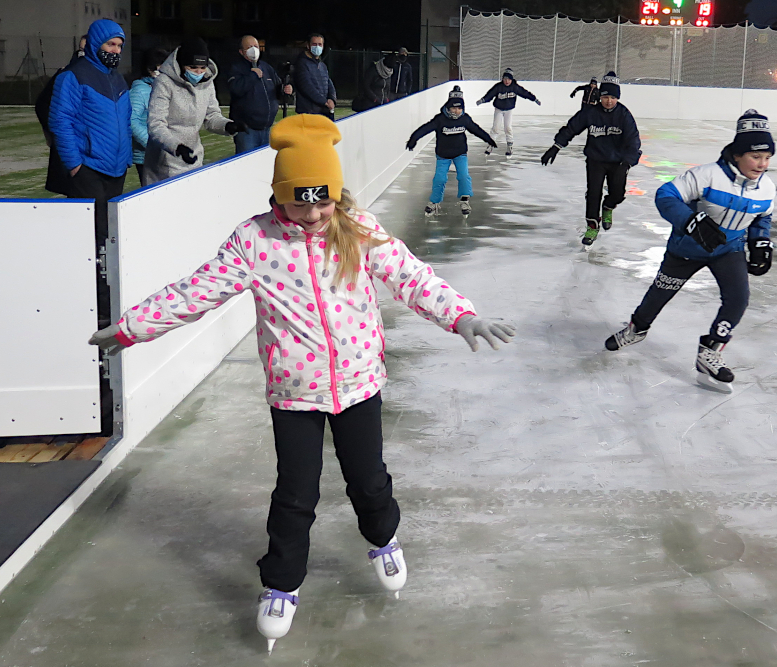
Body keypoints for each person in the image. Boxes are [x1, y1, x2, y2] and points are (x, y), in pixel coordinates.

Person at [87, 113, 516, 654]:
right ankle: (281, 584)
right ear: (277, 196)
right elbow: (196, 291)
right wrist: (131, 328)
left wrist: (461, 316)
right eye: (299, 201)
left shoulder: (357, 231)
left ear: (336, 194)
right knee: (295, 495)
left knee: (369, 480)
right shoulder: (254, 241)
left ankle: (383, 539)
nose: (312, 214)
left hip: (359, 383)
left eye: (323, 201)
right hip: (294, 392)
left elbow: (411, 277)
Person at [604, 109, 776, 394]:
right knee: (659, 294)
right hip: (686, 249)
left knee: (738, 299)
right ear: (737, 154)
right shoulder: (706, 176)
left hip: (728, 250)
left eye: (767, 158)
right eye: (755, 157)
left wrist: (760, 242)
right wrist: (691, 221)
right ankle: (637, 329)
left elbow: (763, 216)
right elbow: (665, 195)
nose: (762, 164)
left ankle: (710, 352)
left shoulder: (766, 187)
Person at [49, 19, 132, 329]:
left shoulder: (119, 80)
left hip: (116, 170)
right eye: (111, 44)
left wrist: (124, 161)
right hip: (87, 169)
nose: (115, 50)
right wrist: (74, 164)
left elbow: (125, 122)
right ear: (96, 43)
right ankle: (94, 304)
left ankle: (111, 297)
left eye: (119, 45)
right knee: (93, 239)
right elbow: (61, 122)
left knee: (111, 236)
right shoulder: (73, 76)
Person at [540, 72, 640, 247]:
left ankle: (608, 206)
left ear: (618, 98)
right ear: (600, 96)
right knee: (593, 193)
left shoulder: (624, 115)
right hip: (596, 159)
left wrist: (627, 162)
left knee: (618, 194)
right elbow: (571, 128)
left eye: (613, 97)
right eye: (605, 97)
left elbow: (633, 141)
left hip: (618, 161)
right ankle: (592, 225)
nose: (609, 101)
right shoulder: (590, 112)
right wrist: (556, 146)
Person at [144, 37, 244, 184]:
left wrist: (228, 126)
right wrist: (176, 147)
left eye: (202, 68)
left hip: (194, 158)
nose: (198, 72)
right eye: (192, 67)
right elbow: (156, 124)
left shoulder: (207, 83)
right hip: (165, 163)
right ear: (181, 65)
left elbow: (211, 116)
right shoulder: (164, 83)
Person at [406, 86, 495, 217]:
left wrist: (488, 139)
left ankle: (465, 200)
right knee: (439, 179)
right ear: (448, 107)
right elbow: (425, 128)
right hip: (443, 155)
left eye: (459, 108)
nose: (457, 111)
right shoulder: (440, 119)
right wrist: (414, 138)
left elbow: (476, 129)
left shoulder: (464, 119)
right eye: (454, 108)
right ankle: (434, 202)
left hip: (460, 153)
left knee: (464, 176)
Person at [35, 34, 86, 196]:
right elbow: (42, 104)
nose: (82, 54)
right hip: (72, 150)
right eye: (80, 50)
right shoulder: (65, 74)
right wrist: (50, 133)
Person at [228, 35, 294, 154]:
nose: (254, 49)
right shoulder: (236, 68)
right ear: (241, 52)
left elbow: (277, 87)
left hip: (267, 129)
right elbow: (236, 89)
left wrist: (285, 90)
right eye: (249, 47)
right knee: (247, 166)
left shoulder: (266, 67)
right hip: (247, 131)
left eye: (256, 46)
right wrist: (252, 76)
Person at [476, 67, 541, 157]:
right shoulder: (498, 87)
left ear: (512, 79)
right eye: (505, 79)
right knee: (496, 127)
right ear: (502, 79)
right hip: (498, 109)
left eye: (509, 79)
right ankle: (490, 145)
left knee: (508, 128)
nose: (507, 81)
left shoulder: (515, 87)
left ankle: (509, 147)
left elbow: (524, 93)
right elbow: (490, 94)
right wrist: (482, 100)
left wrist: (534, 99)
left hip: (509, 110)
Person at [130, 48, 168, 186]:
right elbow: (132, 121)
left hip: (163, 152)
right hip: (146, 156)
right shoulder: (140, 90)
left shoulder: (161, 87)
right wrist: (152, 144)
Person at [294, 33, 336, 118]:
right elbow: (306, 87)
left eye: (320, 44)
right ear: (308, 45)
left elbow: (328, 83)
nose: (317, 47)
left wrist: (332, 99)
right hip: (308, 112)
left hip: (323, 112)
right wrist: (324, 102)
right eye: (314, 44)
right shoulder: (301, 64)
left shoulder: (322, 65)